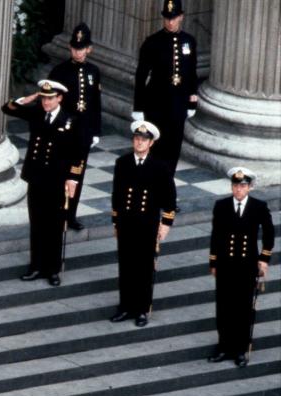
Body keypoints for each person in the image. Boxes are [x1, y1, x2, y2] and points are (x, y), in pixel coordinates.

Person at [2, 80, 86, 286]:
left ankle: (53, 269)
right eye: (43, 98)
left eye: (50, 98)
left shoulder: (70, 121)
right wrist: (28, 99)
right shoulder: (37, 113)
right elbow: (8, 108)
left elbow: (79, 153)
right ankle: (36, 266)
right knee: (37, 223)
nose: (46, 102)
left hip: (57, 180)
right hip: (37, 177)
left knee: (55, 225)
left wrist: (73, 178)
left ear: (59, 98)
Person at [109, 121, 177, 328]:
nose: (139, 143)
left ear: (151, 143)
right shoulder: (123, 163)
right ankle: (125, 307)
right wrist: (115, 221)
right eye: (137, 139)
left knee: (144, 268)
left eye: (144, 140)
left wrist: (165, 223)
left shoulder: (160, 167)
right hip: (126, 222)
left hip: (147, 224)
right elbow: (117, 195)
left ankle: (141, 309)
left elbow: (170, 198)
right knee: (126, 265)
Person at [207, 167, 275, 368]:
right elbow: (216, 235)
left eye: (243, 186)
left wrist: (264, 258)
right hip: (226, 264)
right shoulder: (221, 206)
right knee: (224, 306)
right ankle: (224, 346)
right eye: (235, 185)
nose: (238, 189)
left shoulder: (258, 206)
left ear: (250, 187)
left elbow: (269, 233)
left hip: (247, 265)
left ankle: (240, 349)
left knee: (243, 308)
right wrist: (213, 261)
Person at [133, 0, 199, 175]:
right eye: (167, 18)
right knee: (155, 145)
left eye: (174, 18)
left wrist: (192, 100)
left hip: (178, 104)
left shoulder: (189, 41)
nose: (170, 22)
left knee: (174, 145)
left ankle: (167, 184)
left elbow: (192, 72)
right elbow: (141, 76)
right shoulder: (152, 42)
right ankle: (152, 183)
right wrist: (138, 107)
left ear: (181, 17)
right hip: (156, 103)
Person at [48, 22, 102, 232]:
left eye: (82, 48)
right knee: (61, 173)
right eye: (75, 48)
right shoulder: (60, 71)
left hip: (84, 133)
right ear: (70, 48)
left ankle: (71, 215)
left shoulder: (93, 71)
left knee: (77, 175)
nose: (78, 52)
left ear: (89, 48)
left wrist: (96, 131)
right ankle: (58, 213)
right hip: (64, 132)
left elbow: (96, 102)